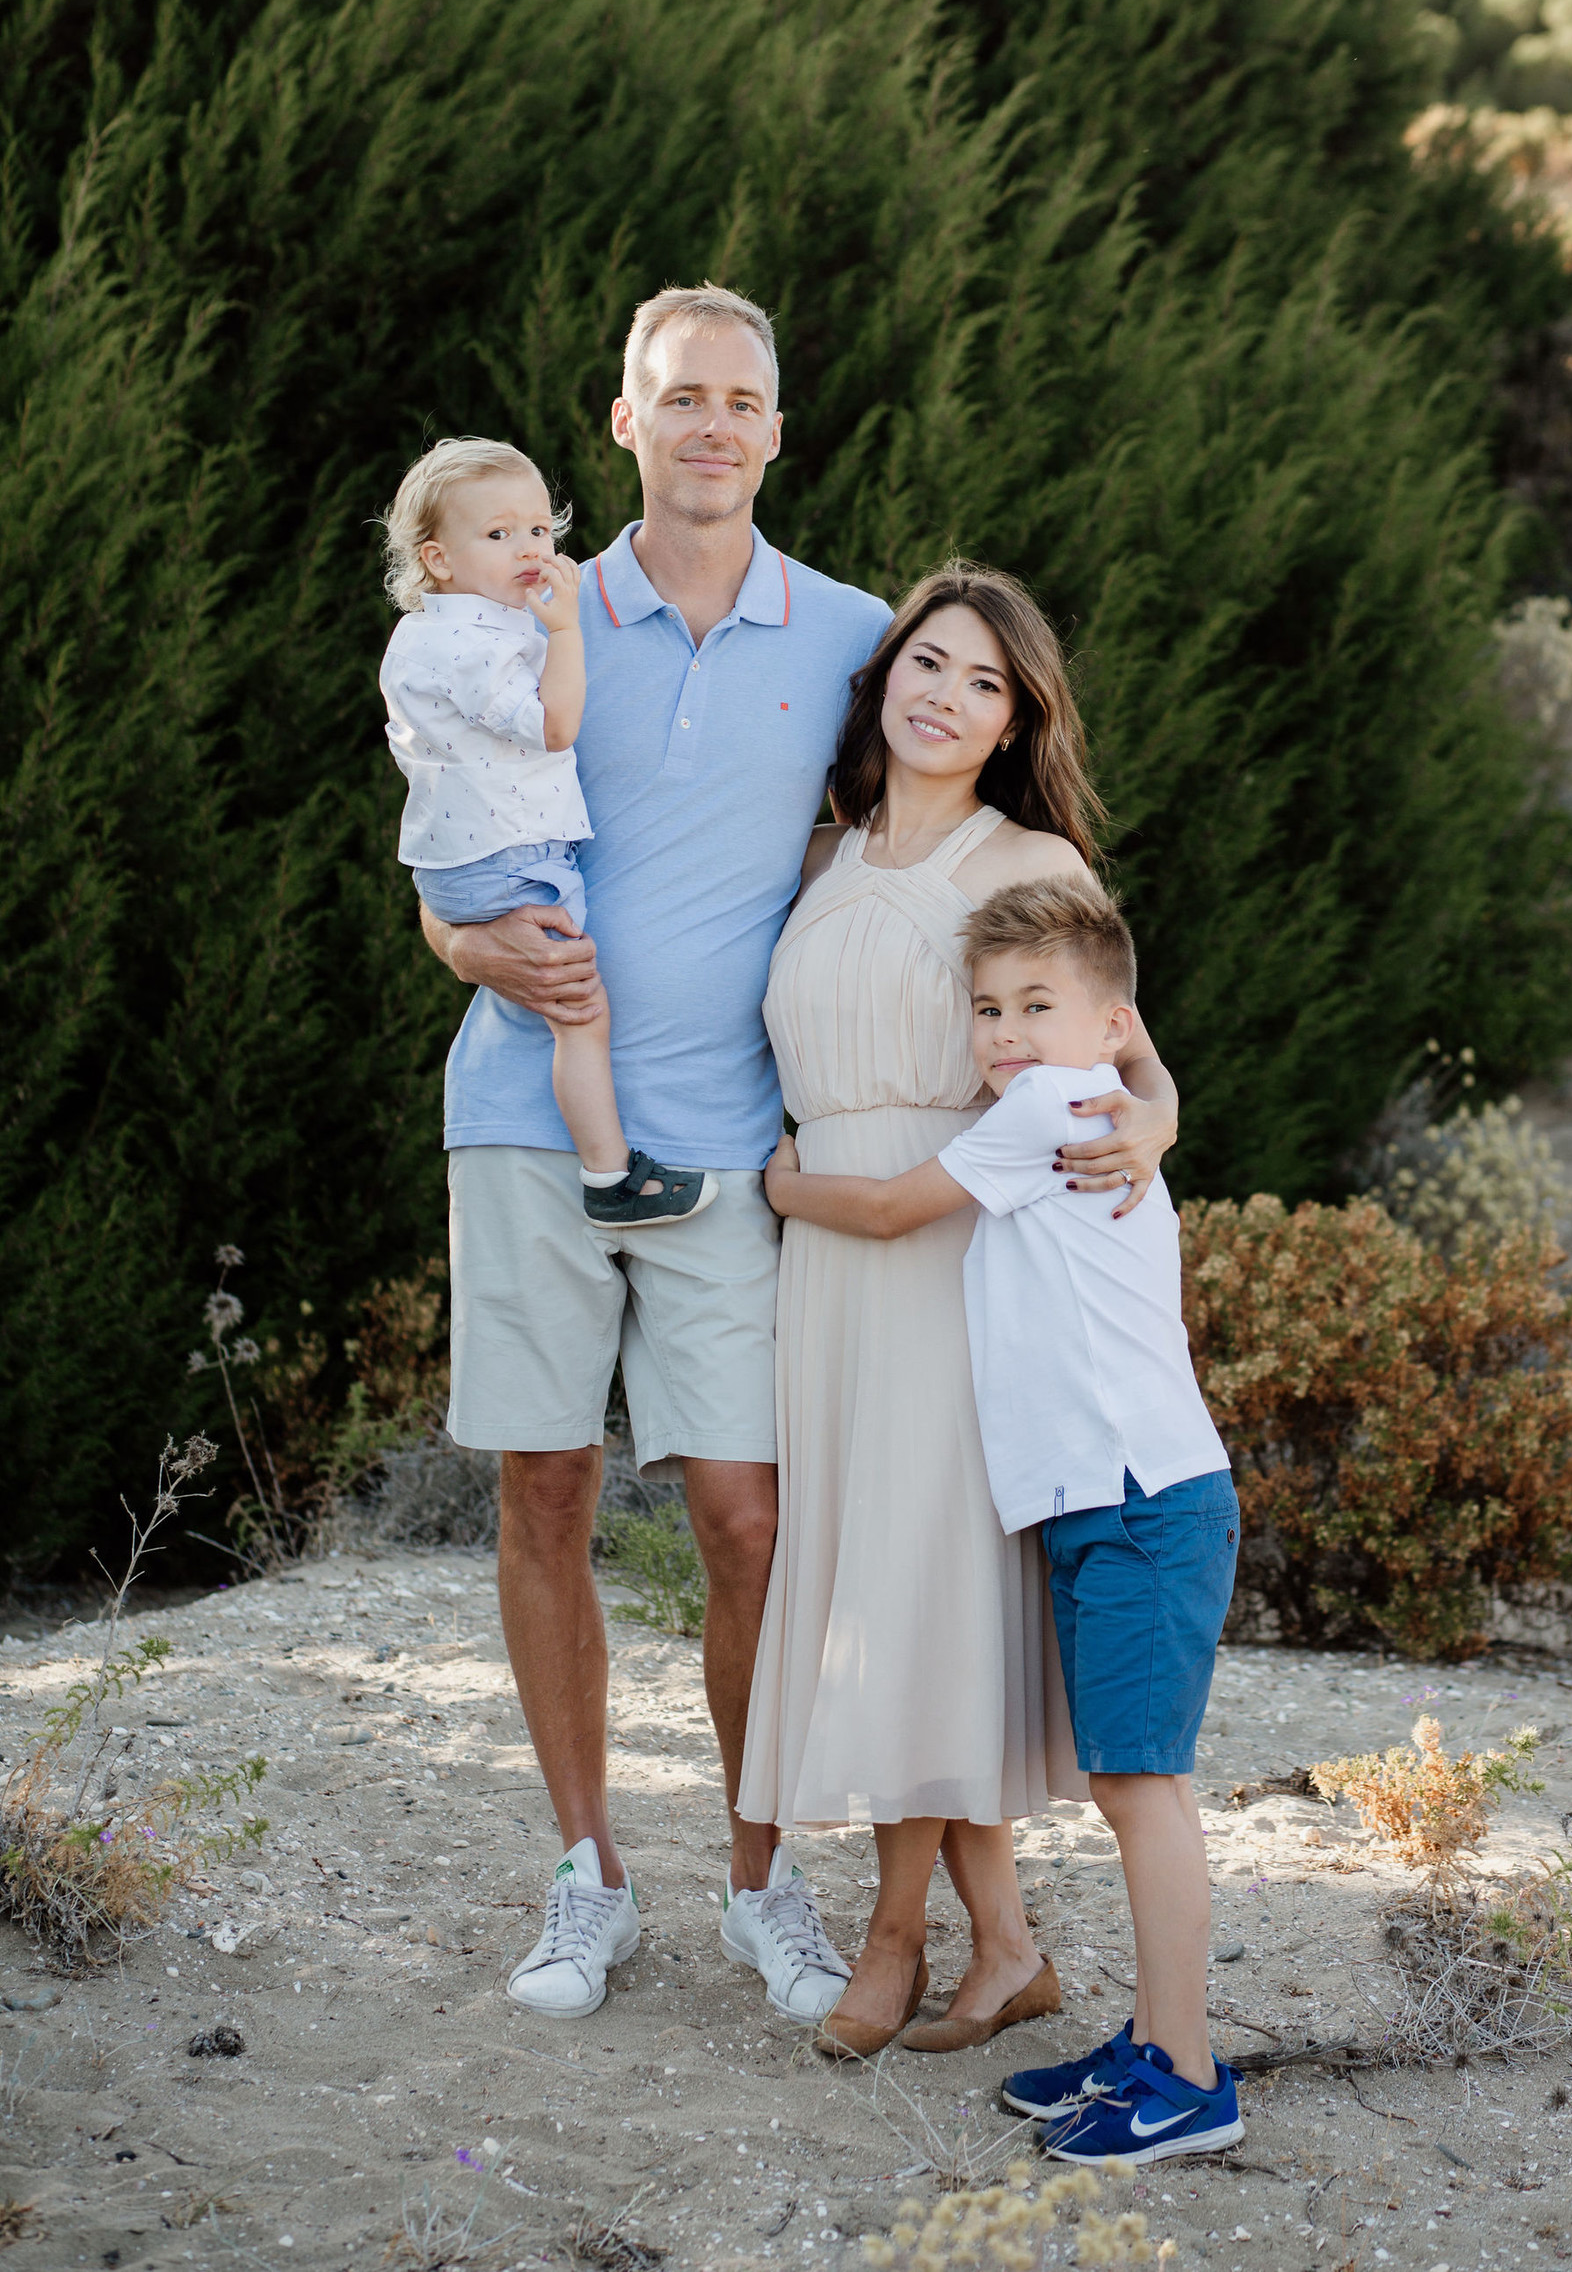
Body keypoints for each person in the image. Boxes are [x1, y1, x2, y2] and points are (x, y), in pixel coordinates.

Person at [413, 290, 1169, 2025]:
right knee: (545, 1491)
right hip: (526, 1120)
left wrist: (1157, 1104)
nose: (710, 429)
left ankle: (762, 1880)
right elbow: (448, 843)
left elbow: (995, 874)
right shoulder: (527, 606)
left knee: (751, 1523)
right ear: (623, 422)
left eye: (740, 402)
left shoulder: (846, 640)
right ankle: (589, 1877)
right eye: (679, 399)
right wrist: (471, 955)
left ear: (776, 433)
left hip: (734, 1151)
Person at [739, 565, 1183, 2062]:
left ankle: (891, 1940)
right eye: (926, 663)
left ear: (1014, 720)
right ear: (882, 682)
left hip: (947, 1243)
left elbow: (1125, 1052)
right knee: (877, 1587)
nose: (947, 695)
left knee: (920, 1592)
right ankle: (1007, 1947)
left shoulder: (1029, 856)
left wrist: (1160, 1128)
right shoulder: (819, 858)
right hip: (825, 1276)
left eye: (986, 682)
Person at [763, 872, 1242, 2154]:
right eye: (986, 1008)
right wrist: (1156, 1089)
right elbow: (1136, 1085)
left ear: (1113, 1023)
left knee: (1144, 1790)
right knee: (1126, 1781)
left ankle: (1187, 2077)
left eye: (1038, 1003)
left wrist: (783, 1181)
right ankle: (1150, 2038)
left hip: (1140, 1500)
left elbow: (883, 1209)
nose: (1006, 1033)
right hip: (1109, 1504)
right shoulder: (1093, 1099)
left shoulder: (1047, 1106)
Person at [379, 435, 715, 1227]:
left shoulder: (424, 635)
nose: (529, 549)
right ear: (438, 559)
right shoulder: (480, 643)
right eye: (497, 536)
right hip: (514, 858)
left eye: (538, 529)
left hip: (458, 857)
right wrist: (565, 633)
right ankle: (610, 1176)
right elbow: (556, 725)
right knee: (580, 1013)